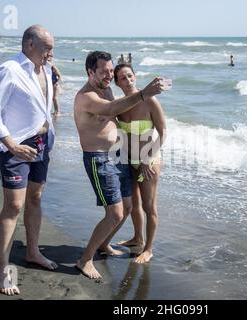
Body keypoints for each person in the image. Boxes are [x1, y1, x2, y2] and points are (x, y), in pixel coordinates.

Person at [73, 51, 163, 279]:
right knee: (115, 213)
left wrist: (146, 154)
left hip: (120, 155)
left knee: (129, 207)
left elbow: (118, 111)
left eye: (110, 71)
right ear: (90, 71)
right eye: (104, 71)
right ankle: (85, 260)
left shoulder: (107, 90)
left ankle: (105, 244)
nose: (108, 75)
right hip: (100, 158)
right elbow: (113, 109)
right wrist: (143, 94)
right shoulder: (86, 96)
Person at [0, 25, 58, 296]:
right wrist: (12, 146)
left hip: (42, 143)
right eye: (47, 48)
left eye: (52, 48)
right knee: (13, 206)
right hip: (17, 145)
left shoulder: (46, 69)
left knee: (35, 198)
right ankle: (3, 269)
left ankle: (33, 252)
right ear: (29, 45)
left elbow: (44, 106)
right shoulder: (9, 70)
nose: (51, 53)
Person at [114, 64, 167, 264]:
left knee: (149, 206)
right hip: (128, 161)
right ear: (117, 83)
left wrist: (147, 157)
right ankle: (137, 238)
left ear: (135, 77)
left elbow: (163, 133)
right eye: (122, 78)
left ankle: (149, 249)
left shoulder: (150, 101)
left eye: (130, 76)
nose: (127, 81)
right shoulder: (120, 104)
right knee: (134, 204)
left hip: (149, 161)